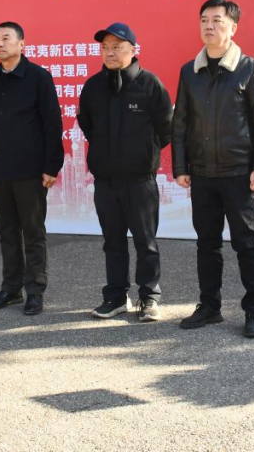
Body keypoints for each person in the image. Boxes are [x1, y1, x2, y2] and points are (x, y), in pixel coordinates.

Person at [172, 0, 254, 338]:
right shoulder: (189, 72)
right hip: (203, 174)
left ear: (233, 27)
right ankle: (209, 306)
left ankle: (253, 310)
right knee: (207, 243)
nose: (209, 25)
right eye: (204, 19)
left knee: (246, 243)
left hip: (238, 174)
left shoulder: (250, 69)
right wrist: (181, 166)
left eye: (217, 20)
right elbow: (180, 123)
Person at [78, 22, 172, 322]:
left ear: (133, 49)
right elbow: (87, 123)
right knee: (113, 242)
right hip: (106, 181)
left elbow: (166, 128)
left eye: (117, 47)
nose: (110, 52)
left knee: (146, 242)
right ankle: (116, 297)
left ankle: (149, 296)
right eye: (105, 47)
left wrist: (142, 153)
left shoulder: (149, 84)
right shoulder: (93, 86)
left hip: (140, 181)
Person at [0, 21, 63, 316]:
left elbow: (52, 124)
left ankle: (35, 291)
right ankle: (11, 288)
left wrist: (51, 166)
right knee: (7, 232)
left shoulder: (38, 78)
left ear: (22, 44)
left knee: (33, 233)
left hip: (30, 171)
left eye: (6, 38)